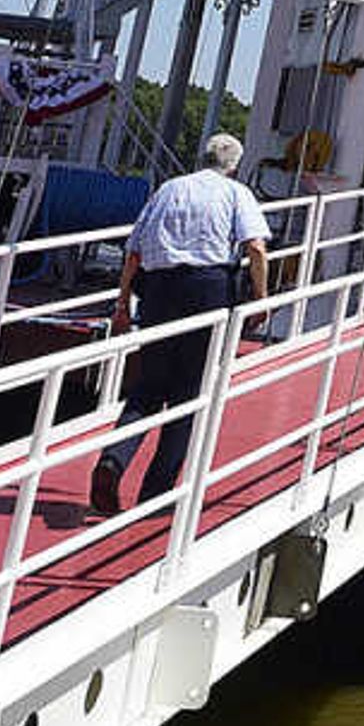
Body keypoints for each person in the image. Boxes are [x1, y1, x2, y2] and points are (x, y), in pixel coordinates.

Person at [89, 132, 273, 517]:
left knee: (147, 388)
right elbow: (255, 248)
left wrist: (122, 304)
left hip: (158, 292)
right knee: (191, 394)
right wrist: (261, 299)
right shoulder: (237, 193)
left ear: (201, 157)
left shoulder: (169, 189)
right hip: (207, 290)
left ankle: (113, 461)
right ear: (234, 166)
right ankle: (155, 497)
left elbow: (133, 253)